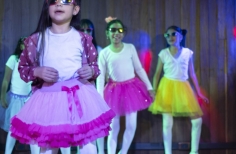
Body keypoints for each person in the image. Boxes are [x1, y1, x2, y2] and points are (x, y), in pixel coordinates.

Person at [9, 0, 115, 154]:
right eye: (54, 1)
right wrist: (37, 71)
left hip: (80, 96)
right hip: (49, 99)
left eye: (65, 1)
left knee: (88, 147)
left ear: (75, 9)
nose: (59, 4)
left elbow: (94, 66)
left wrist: (90, 71)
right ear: (48, 7)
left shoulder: (83, 39)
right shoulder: (36, 39)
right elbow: (23, 68)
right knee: (48, 147)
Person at [96, 17, 154, 154]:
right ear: (107, 33)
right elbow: (100, 76)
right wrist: (99, 97)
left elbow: (139, 69)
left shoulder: (130, 48)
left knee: (131, 125)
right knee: (113, 127)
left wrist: (150, 87)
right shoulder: (104, 53)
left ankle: (123, 151)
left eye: (120, 30)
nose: (117, 33)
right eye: (113, 30)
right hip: (113, 91)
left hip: (132, 89)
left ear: (124, 33)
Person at [148, 25, 209, 154]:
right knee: (167, 123)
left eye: (173, 34)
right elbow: (157, 74)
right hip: (166, 88)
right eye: (167, 35)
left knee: (197, 120)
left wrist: (198, 93)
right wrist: (154, 91)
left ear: (181, 37)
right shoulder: (163, 53)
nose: (170, 37)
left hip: (183, 87)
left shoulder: (187, 53)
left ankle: (194, 151)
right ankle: (168, 152)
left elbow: (192, 74)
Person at [0, 37, 40, 154]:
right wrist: (2, 96)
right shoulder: (13, 59)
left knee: (32, 130)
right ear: (21, 46)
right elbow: (6, 80)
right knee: (13, 129)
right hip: (15, 99)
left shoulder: (33, 62)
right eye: (25, 44)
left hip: (29, 99)